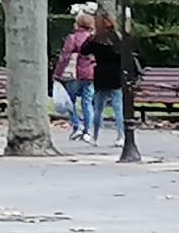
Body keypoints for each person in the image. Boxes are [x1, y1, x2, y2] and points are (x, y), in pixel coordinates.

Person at [81, 12, 129, 147]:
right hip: (115, 73)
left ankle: (95, 137)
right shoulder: (117, 38)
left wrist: (89, 38)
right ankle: (121, 136)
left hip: (101, 73)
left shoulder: (96, 39)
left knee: (98, 107)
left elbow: (84, 50)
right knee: (118, 107)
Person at [54, 13, 95, 141]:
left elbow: (65, 58)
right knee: (87, 102)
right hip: (90, 74)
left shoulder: (72, 38)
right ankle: (88, 131)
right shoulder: (94, 38)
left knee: (70, 101)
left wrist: (57, 74)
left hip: (74, 74)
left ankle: (77, 126)